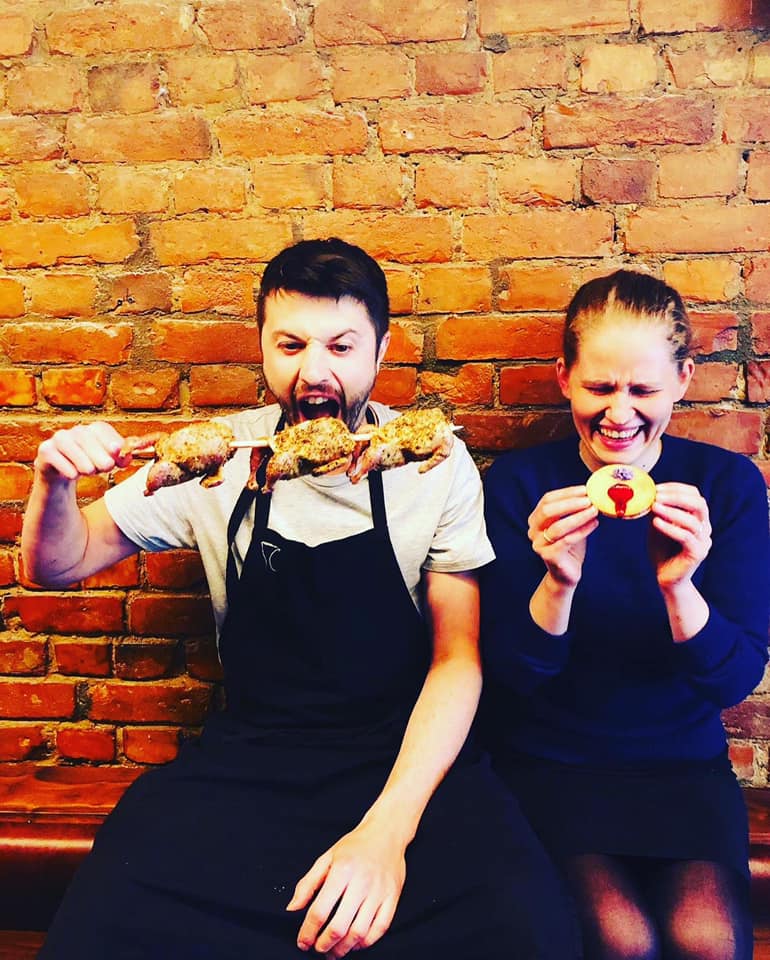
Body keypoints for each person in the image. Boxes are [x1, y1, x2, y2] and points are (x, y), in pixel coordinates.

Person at [22, 238, 577, 959]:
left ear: (381, 350)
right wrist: (54, 482)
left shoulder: (433, 462)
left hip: (403, 757)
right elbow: (57, 564)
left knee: (526, 926)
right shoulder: (219, 457)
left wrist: (387, 833)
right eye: (290, 345)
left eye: (341, 346)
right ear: (262, 347)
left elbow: (457, 660)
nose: (314, 372)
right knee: (106, 919)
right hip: (252, 760)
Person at [480, 268, 770, 960]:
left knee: (704, 941)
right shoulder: (520, 486)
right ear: (564, 378)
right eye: (601, 387)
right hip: (551, 764)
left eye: (643, 390)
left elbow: (733, 680)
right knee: (622, 939)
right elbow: (513, 676)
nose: (619, 413)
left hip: (681, 769)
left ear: (683, 380)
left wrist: (680, 586)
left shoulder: (725, 486)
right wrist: (558, 580)